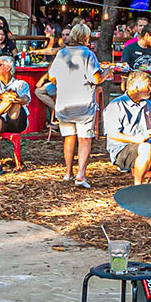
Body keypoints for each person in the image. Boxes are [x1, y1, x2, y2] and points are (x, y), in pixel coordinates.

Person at [40, 23, 104, 187]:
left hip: (64, 102)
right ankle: (81, 175)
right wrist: (107, 73)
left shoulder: (61, 53)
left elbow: (52, 76)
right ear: (86, 37)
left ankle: (68, 172)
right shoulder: (88, 54)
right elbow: (95, 79)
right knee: (84, 139)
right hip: (83, 103)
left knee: (69, 137)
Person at [103, 70, 151, 184]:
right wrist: (136, 139)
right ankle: (137, 185)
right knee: (146, 148)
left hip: (148, 145)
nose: (150, 89)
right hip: (123, 148)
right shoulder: (116, 105)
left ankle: (150, 185)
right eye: (148, 85)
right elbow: (112, 134)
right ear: (136, 87)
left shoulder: (148, 104)